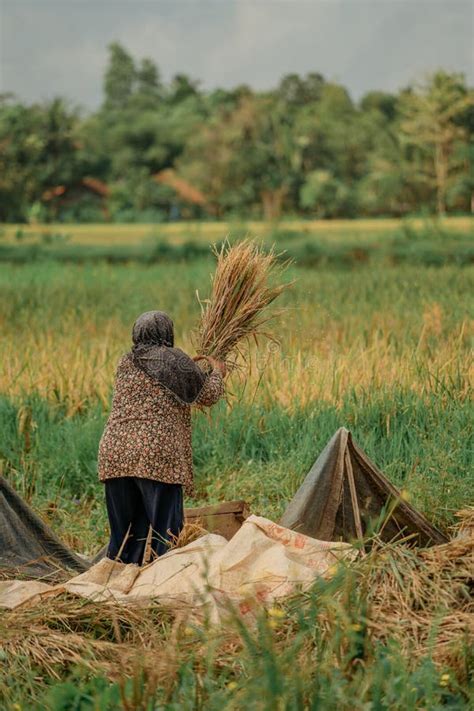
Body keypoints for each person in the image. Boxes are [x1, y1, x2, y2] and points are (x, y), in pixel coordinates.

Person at [98, 310, 226, 565]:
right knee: (166, 537)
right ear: (167, 333)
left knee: (124, 539)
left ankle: (115, 588)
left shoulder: (126, 361)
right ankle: (160, 590)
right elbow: (207, 395)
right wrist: (218, 372)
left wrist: (189, 368)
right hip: (155, 457)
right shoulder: (173, 360)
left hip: (115, 454)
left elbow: (162, 381)